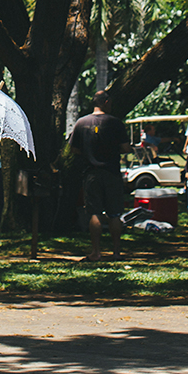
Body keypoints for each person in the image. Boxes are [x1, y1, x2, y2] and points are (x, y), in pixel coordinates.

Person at [71, 87, 128, 262]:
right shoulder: (115, 123)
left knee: (94, 213)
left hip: (91, 173)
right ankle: (116, 252)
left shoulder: (81, 123)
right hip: (111, 172)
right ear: (105, 102)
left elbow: (74, 149)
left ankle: (96, 251)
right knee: (114, 213)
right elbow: (126, 148)